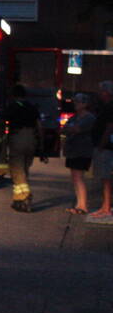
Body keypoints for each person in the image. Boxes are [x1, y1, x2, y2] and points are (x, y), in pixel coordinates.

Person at [1, 84, 46, 212]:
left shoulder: (13, 106)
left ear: (13, 95)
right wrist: (41, 146)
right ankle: (18, 199)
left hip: (18, 138)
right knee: (24, 170)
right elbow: (39, 126)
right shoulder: (32, 107)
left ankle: (26, 197)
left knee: (17, 169)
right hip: (31, 139)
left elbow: (1, 121)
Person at [61, 93, 95, 214]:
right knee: (75, 178)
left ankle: (83, 205)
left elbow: (76, 129)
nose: (75, 104)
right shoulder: (74, 118)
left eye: (78, 102)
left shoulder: (89, 118)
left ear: (85, 104)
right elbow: (65, 129)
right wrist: (70, 128)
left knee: (79, 178)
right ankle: (79, 205)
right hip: (73, 150)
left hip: (82, 151)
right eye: (75, 102)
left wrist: (71, 128)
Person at [89, 81, 113, 218]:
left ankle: (106, 207)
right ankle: (105, 206)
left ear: (107, 93)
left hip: (105, 147)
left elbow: (109, 127)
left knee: (105, 177)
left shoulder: (109, 107)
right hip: (105, 146)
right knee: (104, 178)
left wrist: (101, 145)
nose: (99, 94)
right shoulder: (106, 106)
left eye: (101, 91)